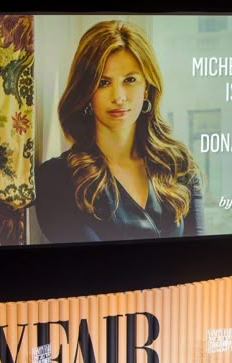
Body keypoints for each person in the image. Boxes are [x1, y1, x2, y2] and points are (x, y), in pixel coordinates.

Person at [35, 20, 204, 244]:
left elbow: (201, 257)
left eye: (130, 80)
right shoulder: (56, 179)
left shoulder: (179, 166)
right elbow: (94, 270)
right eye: (103, 82)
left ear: (147, 89)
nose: (119, 96)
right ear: (86, 91)